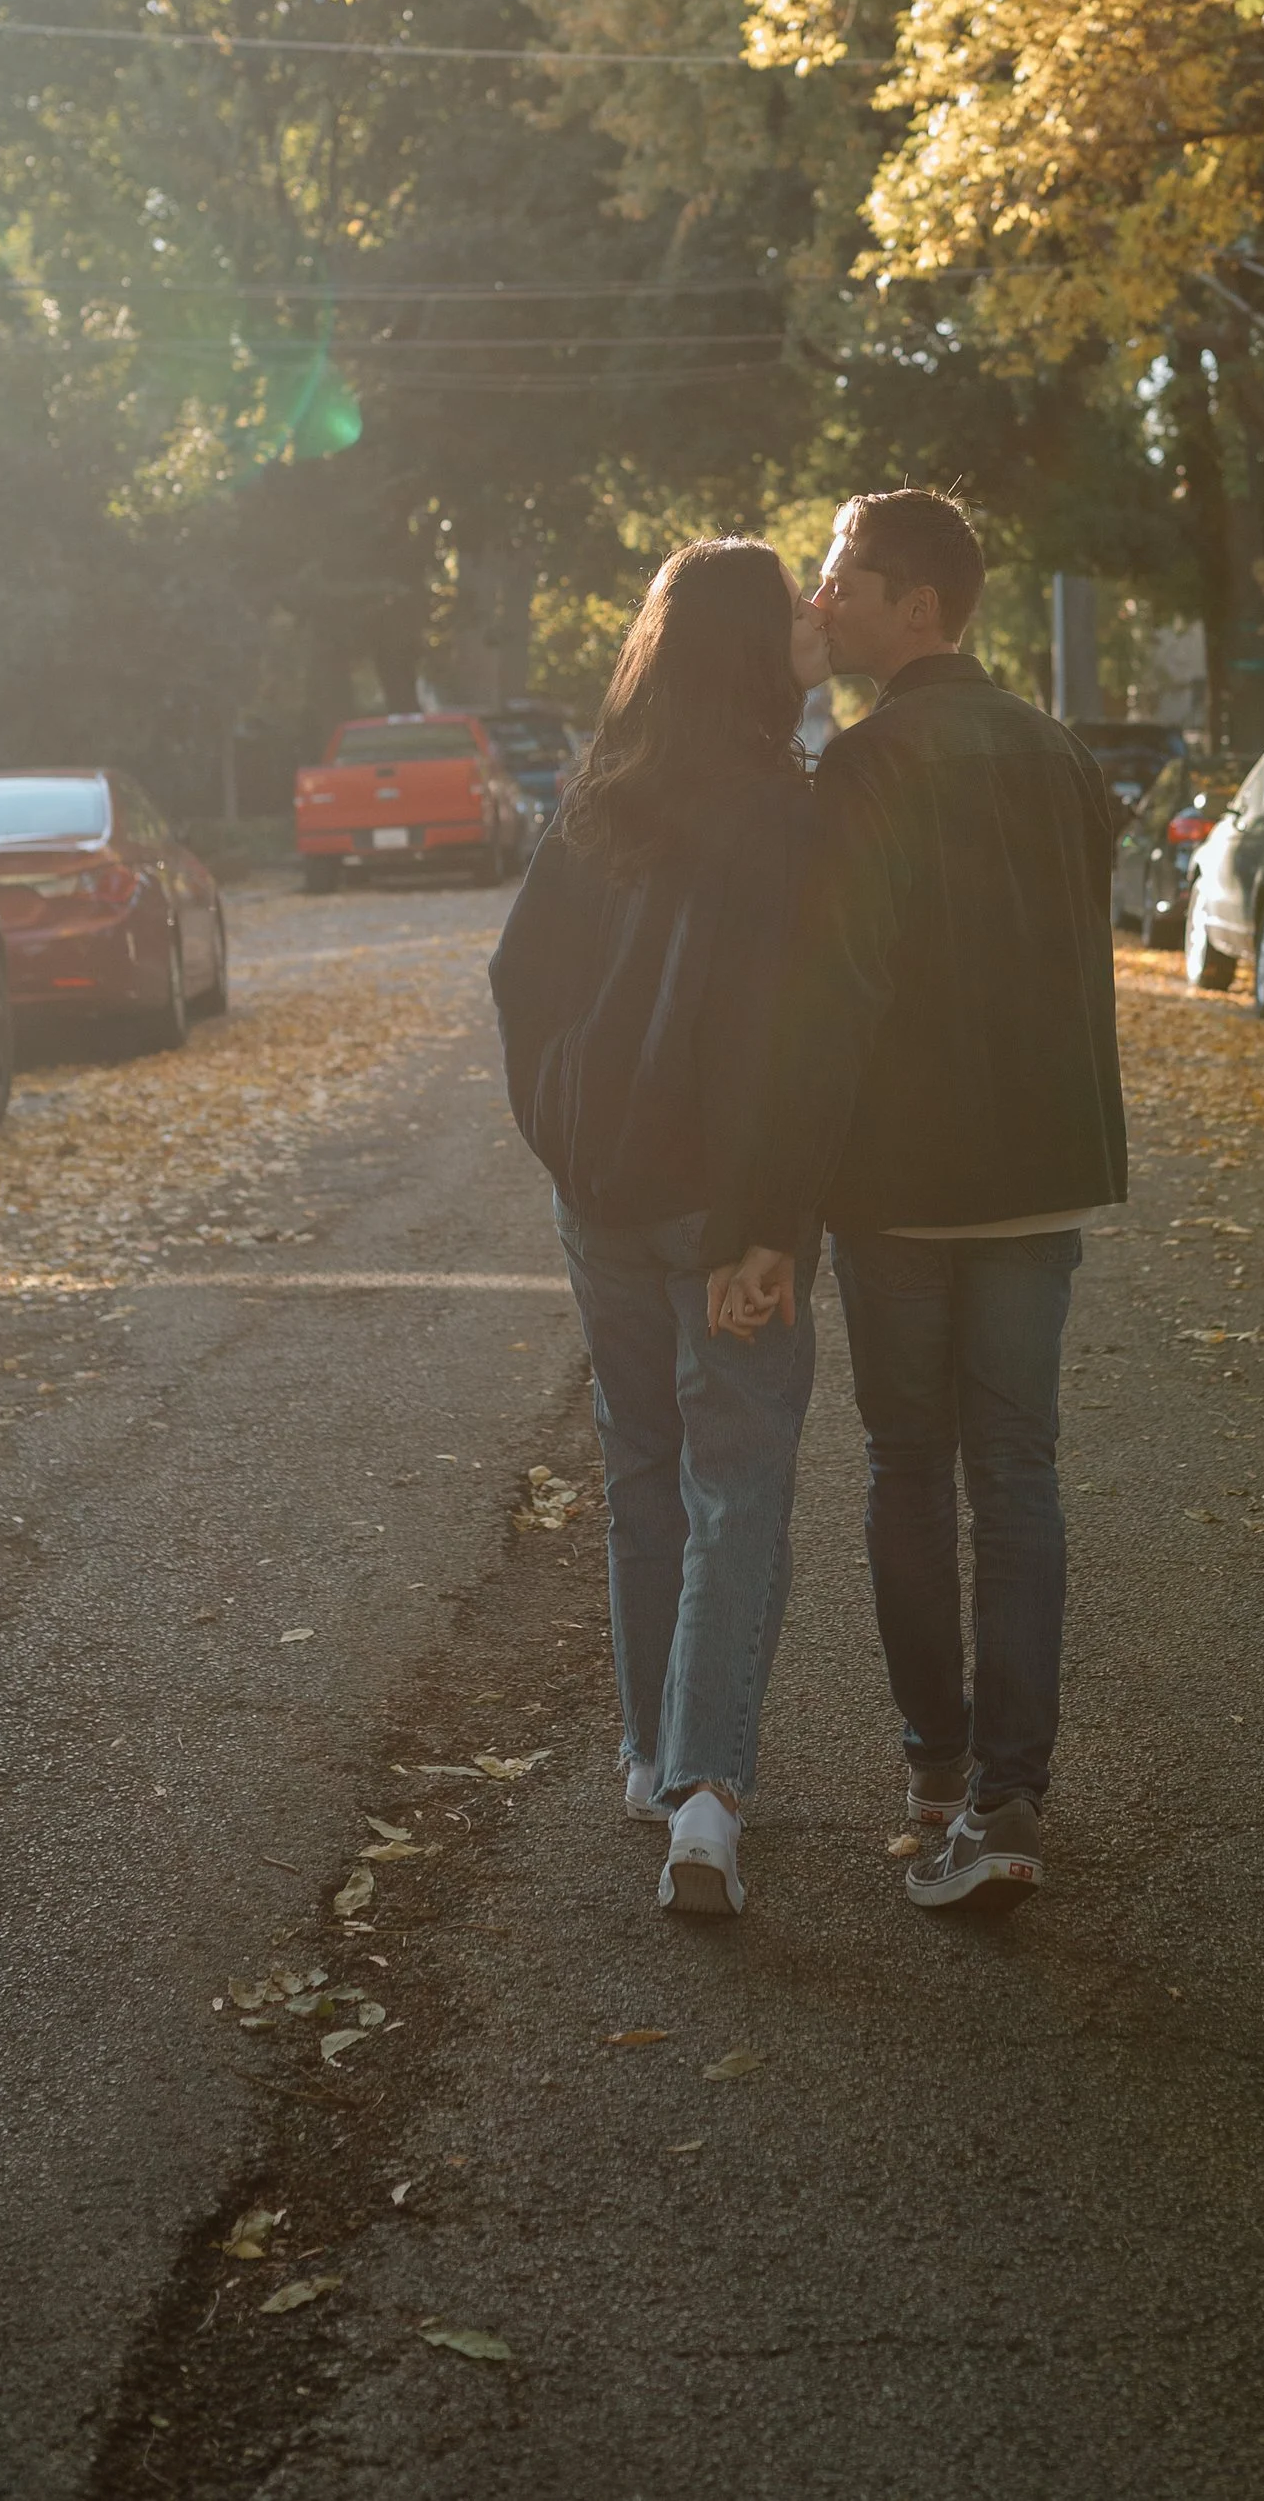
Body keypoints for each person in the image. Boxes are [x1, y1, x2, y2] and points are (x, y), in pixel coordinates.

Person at [730, 490, 1126, 1909]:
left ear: (913, 606)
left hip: (902, 1182)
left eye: (841, 575)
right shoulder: (1059, 753)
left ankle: (937, 1778)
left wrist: (775, 1209)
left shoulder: (868, 761)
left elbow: (831, 999)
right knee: (1017, 1470)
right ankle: (1011, 1800)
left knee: (912, 1467)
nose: (823, 595)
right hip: (1039, 1175)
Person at [488, 540, 831, 1919]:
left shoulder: (597, 803)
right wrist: (774, 1222)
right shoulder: (790, 814)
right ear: (757, 651)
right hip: (729, 1205)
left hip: (605, 1198)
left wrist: (570, 1136)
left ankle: (647, 1756)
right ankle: (704, 1790)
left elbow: (520, 979)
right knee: (736, 1475)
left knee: (643, 1460)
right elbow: (803, 1042)